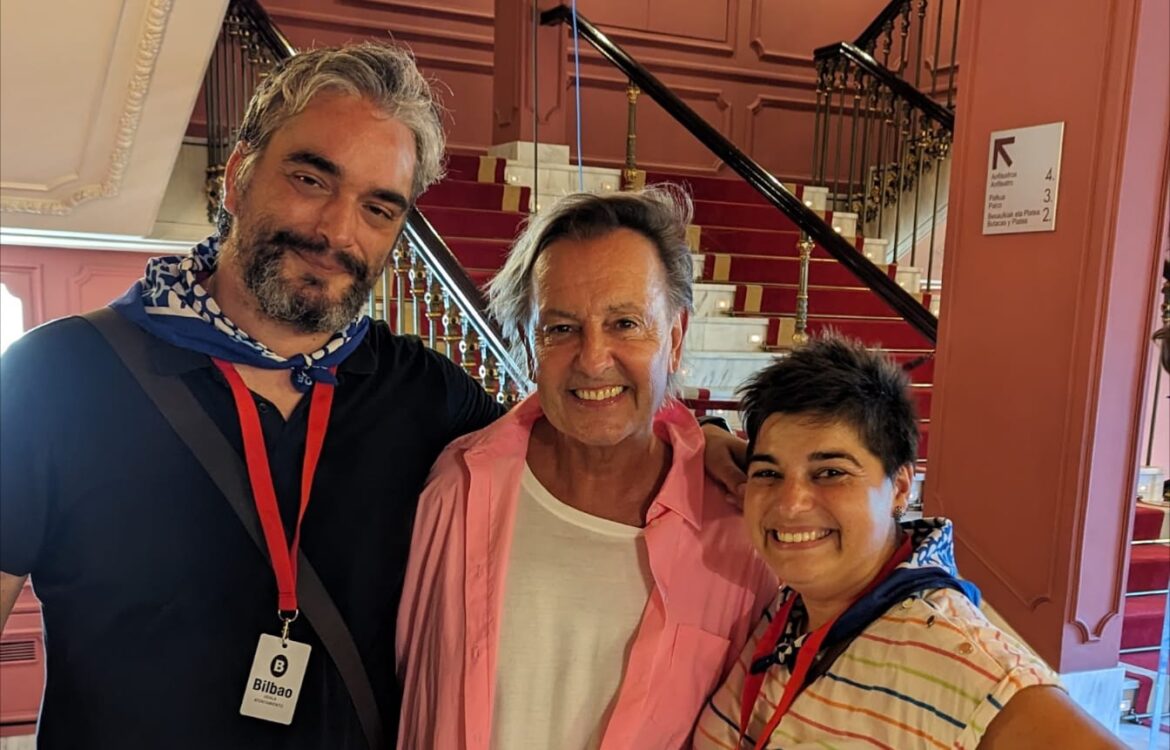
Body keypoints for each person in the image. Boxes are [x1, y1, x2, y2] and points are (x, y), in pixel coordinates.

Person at [0, 42, 746, 750]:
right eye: (310, 179)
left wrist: (701, 444)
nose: (336, 230)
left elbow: (573, 421)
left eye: (379, 208)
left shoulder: (424, 396)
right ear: (237, 176)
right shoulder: (57, 380)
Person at [396, 187, 777, 750]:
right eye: (561, 328)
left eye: (625, 323)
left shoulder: (738, 532)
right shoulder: (458, 488)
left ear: (674, 339)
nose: (594, 359)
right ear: (528, 345)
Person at [692, 334, 1123, 749]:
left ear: (899, 488)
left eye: (831, 472)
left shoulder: (962, 657)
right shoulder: (789, 609)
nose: (790, 503)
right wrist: (705, 434)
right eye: (769, 473)